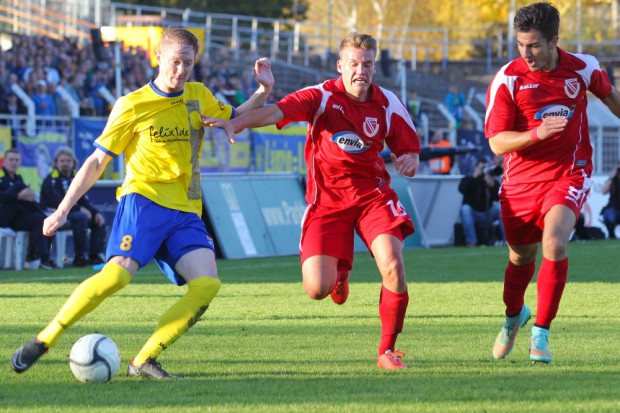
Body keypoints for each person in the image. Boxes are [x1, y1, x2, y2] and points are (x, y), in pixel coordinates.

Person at [11, 26, 274, 379]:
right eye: (176, 62)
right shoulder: (132, 104)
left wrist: (263, 90)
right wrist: (62, 209)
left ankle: (143, 360)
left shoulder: (198, 95)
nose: (181, 71)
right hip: (144, 202)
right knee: (116, 278)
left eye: (189, 63)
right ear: (159, 58)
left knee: (208, 284)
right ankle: (45, 339)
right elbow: (96, 162)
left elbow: (233, 115)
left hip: (186, 209)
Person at [206, 32, 420, 370]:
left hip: (372, 198)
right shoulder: (321, 97)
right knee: (317, 289)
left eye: (366, 64)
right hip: (328, 203)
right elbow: (274, 112)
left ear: (374, 67)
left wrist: (410, 159)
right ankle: (340, 272)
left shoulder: (387, 102)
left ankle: (387, 351)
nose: (359, 70)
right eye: (353, 64)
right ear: (340, 66)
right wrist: (236, 124)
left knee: (392, 264)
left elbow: (409, 146)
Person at [485, 2, 620, 364]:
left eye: (534, 45)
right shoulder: (508, 79)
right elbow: (497, 143)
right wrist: (536, 134)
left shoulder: (583, 67)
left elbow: (611, 98)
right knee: (519, 257)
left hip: (569, 173)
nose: (526, 53)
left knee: (555, 241)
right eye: (520, 45)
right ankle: (515, 316)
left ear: (554, 41)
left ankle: (541, 333)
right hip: (520, 183)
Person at [39, 147, 107, 267]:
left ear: (73, 163)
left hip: (72, 214)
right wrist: (78, 209)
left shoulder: (76, 178)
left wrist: (95, 213)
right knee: (81, 217)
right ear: (56, 163)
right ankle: (80, 257)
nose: (65, 163)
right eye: (62, 161)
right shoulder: (51, 179)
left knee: (99, 219)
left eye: (68, 161)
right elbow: (55, 201)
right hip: (54, 215)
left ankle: (94, 255)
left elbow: (84, 200)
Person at [0, 148, 54, 269]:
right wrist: (18, 196)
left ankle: (42, 258)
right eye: (11, 159)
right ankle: (37, 258)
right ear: (5, 161)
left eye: (16, 160)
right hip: (3, 217)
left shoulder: (18, 177)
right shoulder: (1, 176)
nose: (14, 162)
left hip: (17, 217)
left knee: (43, 219)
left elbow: (27, 199)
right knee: (20, 187)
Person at [458, 156, 504, 247]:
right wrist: (475, 176)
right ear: (476, 167)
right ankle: (471, 241)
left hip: (488, 212)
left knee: (501, 208)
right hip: (474, 213)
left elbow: (499, 196)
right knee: (465, 209)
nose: (484, 170)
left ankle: (507, 240)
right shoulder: (470, 178)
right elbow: (462, 190)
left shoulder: (490, 179)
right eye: (482, 167)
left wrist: (492, 185)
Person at [601, 161, 620, 239]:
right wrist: (613, 175)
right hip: (613, 208)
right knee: (609, 215)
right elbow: (604, 191)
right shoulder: (613, 180)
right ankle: (611, 234)